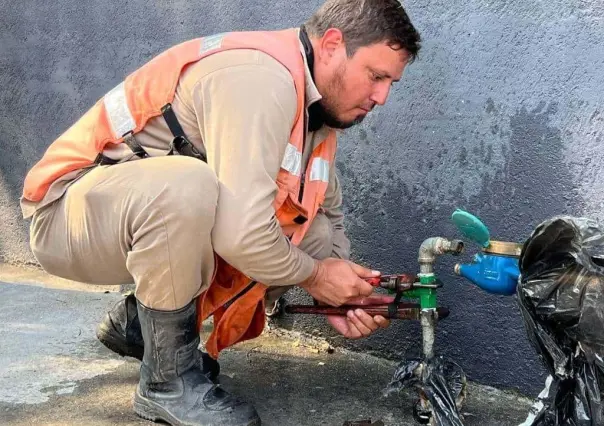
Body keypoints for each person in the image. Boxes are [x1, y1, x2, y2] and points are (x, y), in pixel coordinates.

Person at [20, 0, 421, 424]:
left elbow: (323, 213)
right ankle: (167, 381)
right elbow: (242, 235)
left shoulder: (316, 115)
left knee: (311, 236)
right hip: (68, 213)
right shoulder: (261, 79)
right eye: (376, 77)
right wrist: (318, 278)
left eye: (390, 83)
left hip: (128, 216)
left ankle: (139, 323)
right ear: (333, 44)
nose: (381, 97)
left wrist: (342, 293)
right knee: (189, 187)